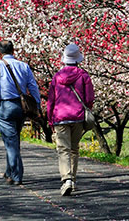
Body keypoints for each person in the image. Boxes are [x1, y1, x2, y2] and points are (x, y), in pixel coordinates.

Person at [0, 40, 41, 186]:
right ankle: (9, 171)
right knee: (13, 140)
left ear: (0, 51)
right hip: (22, 107)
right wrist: (37, 104)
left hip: (5, 106)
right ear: (13, 50)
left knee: (10, 142)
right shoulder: (24, 66)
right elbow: (33, 86)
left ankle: (17, 175)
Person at [47, 43, 94, 196]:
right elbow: (89, 99)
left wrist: (50, 119)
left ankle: (66, 179)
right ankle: (72, 180)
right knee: (74, 149)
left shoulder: (56, 77)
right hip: (78, 117)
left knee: (63, 150)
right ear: (77, 59)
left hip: (60, 117)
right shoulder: (84, 76)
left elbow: (51, 101)